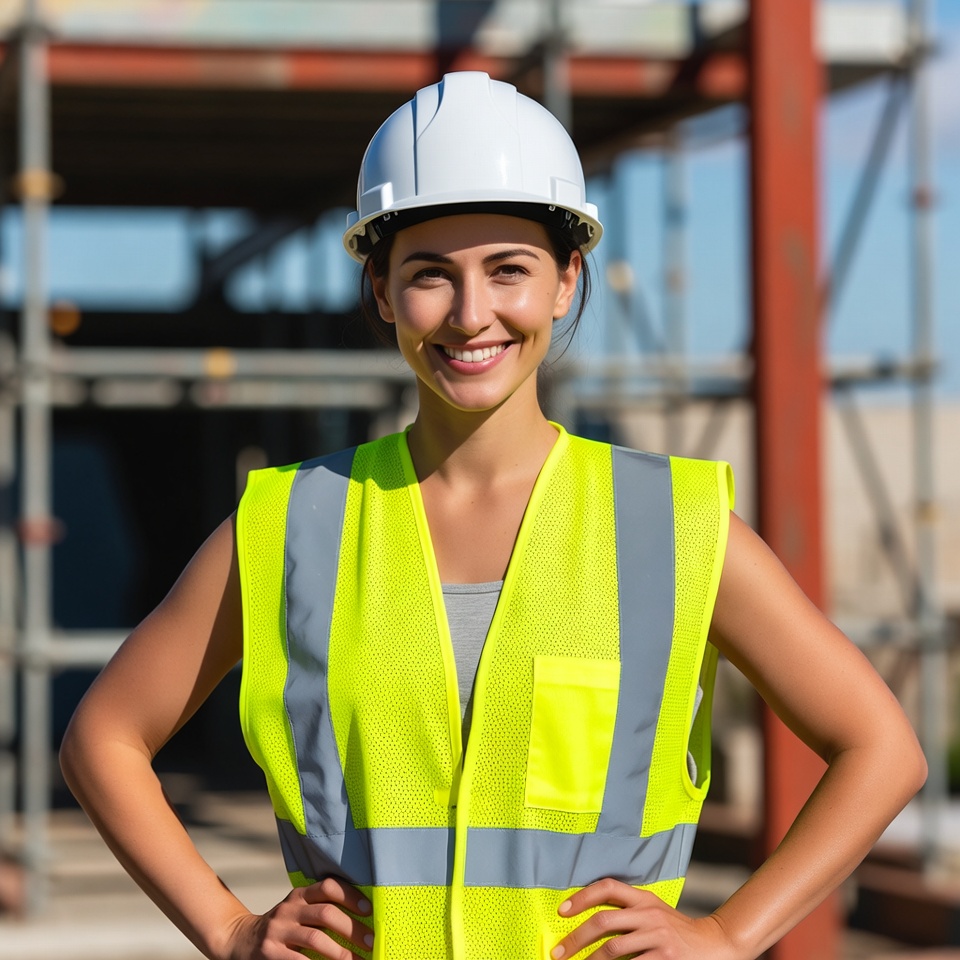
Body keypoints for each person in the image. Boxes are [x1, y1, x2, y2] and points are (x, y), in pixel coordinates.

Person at [60, 71, 926, 960]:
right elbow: (104, 739)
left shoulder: (671, 526)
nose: (473, 315)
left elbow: (881, 749)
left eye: (508, 270)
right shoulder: (292, 524)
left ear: (564, 281)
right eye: (431, 276)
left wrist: (730, 934)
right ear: (385, 294)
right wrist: (230, 929)